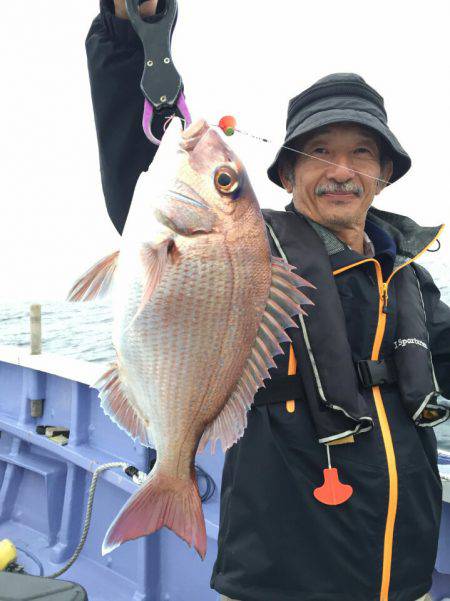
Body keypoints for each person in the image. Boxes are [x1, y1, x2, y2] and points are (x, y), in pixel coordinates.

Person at [86, 2, 450, 600]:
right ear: (284, 176)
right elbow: (136, 167)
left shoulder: (409, 276)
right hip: (280, 579)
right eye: (317, 152)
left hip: (402, 574)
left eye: (362, 152)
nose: (340, 170)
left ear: (385, 173)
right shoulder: (257, 251)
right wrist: (127, 33)